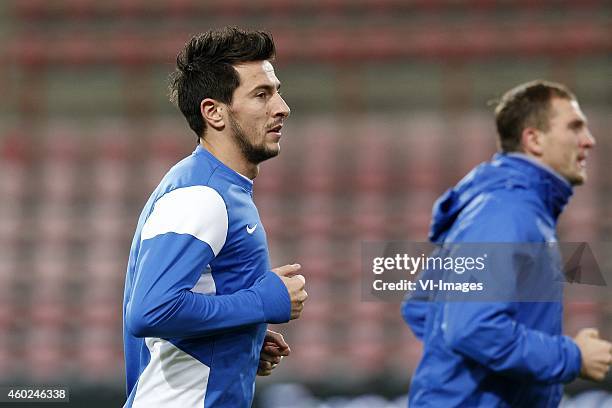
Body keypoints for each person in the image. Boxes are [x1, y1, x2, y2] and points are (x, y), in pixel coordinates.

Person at [122, 27, 308, 408]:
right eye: (262, 95)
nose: (282, 107)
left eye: (277, 91)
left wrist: (241, 338)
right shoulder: (202, 195)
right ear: (214, 112)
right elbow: (151, 310)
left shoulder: (216, 188)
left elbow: (186, 305)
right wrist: (260, 302)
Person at [402, 80, 611, 407]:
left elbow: (422, 306)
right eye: (574, 127)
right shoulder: (506, 213)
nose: (589, 140)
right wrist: (572, 356)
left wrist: (460, 367)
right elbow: (472, 328)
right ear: (534, 139)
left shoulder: (505, 206)